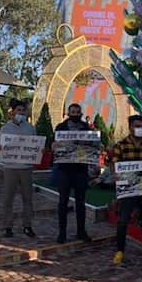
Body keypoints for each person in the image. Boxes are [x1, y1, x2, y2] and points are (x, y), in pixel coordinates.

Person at [111, 114, 142, 265]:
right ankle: (119, 251)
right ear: (130, 127)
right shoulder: (121, 146)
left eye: (141, 126)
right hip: (128, 189)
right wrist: (115, 176)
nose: (139, 129)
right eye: (136, 126)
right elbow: (114, 165)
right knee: (123, 220)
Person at [53, 103, 94, 243]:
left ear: (80, 113)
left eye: (77, 112)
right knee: (62, 202)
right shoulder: (60, 128)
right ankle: (62, 233)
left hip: (80, 170)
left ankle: (81, 232)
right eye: (73, 112)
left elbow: (92, 146)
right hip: (64, 170)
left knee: (81, 203)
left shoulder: (87, 128)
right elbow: (54, 145)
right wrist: (53, 146)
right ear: (68, 113)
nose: (75, 114)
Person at [0, 99, 38, 238]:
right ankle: (7, 226)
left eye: (23, 110)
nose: (21, 113)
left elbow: (35, 146)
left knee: (28, 198)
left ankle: (27, 225)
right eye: (18, 110)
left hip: (26, 167)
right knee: (8, 198)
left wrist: (39, 150)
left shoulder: (31, 129)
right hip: (10, 167)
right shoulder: (5, 128)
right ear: (13, 112)